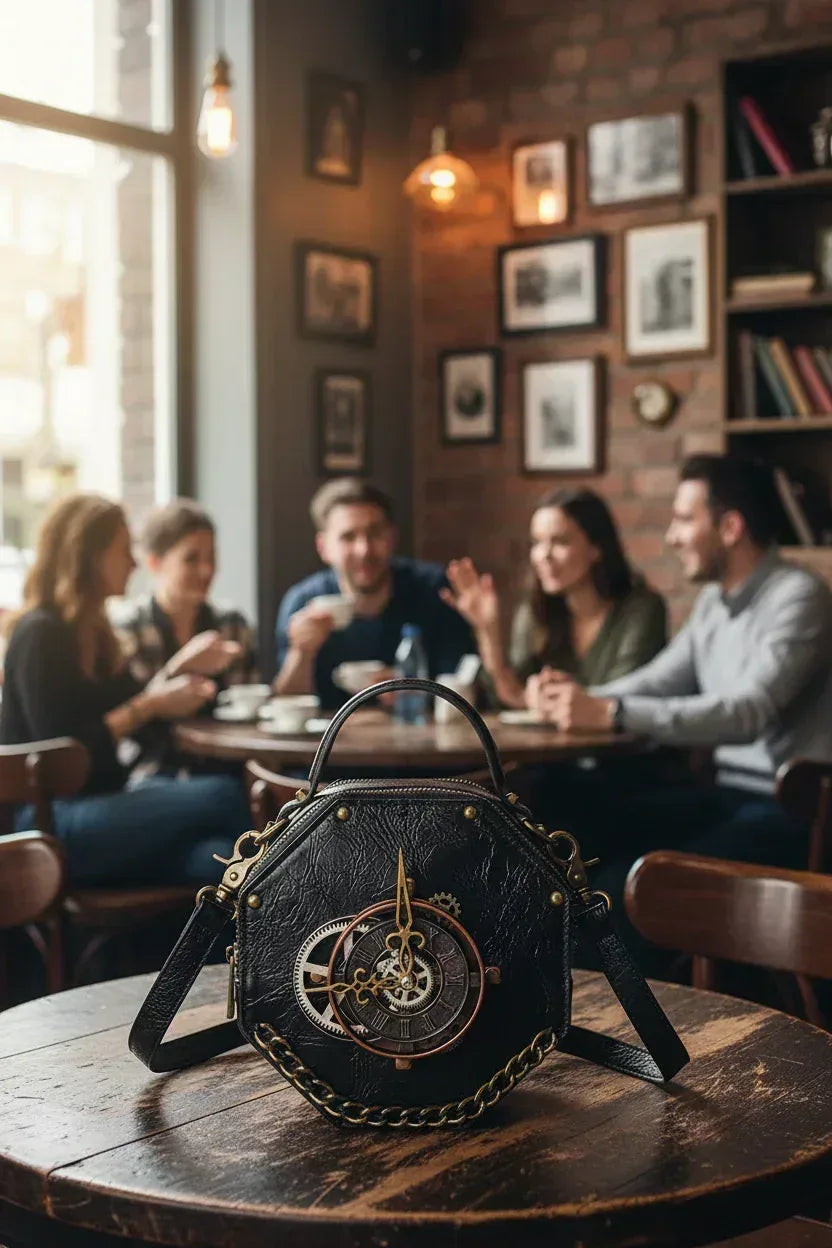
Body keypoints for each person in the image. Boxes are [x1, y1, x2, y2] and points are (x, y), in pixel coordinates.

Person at [537, 455, 832, 884]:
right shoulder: (714, 601)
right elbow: (660, 679)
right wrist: (582, 697)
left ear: (730, 528)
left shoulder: (799, 596)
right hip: (725, 793)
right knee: (572, 818)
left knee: (634, 880)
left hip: (788, 809)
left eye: (683, 520)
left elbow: (748, 713)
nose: (672, 538)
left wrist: (611, 712)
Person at [0, 493, 252, 886]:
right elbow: (64, 758)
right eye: (123, 552)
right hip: (49, 822)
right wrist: (148, 706)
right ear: (89, 557)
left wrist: (176, 671)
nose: (134, 564)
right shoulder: (40, 633)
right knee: (224, 795)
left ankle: (275, 942)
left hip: (105, 811)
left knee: (216, 862)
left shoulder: (96, 637)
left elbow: (142, 713)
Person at [442, 486, 667, 707]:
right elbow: (511, 696)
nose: (544, 555)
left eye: (560, 541)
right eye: (537, 543)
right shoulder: (535, 610)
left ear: (596, 548)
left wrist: (554, 697)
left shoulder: (642, 609)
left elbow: (623, 698)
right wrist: (488, 629)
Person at [273, 479, 472, 708]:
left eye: (375, 533)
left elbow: (462, 689)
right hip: (326, 743)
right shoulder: (302, 602)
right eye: (348, 537)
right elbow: (286, 707)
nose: (364, 550)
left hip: (416, 738)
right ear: (323, 547)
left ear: (392, 537)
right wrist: (301, 653)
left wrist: (414, 695)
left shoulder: (433, 589)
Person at [111, 498, 258, 773]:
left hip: (229, 767)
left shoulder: (232, 624)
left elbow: (249, 710)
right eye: (191, 559)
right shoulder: (128, 628)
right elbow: (132, 726)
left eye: (211, 557)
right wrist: (180, 666)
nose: (207, 571)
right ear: (155, 563)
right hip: (151, 769)